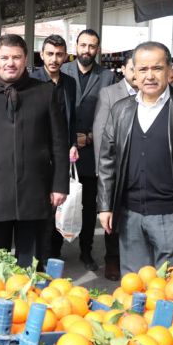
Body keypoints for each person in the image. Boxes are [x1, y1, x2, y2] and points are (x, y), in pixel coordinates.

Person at [97, 41, 173, 274]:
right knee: (134, 287)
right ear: (133, 72)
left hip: (172, 216)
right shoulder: (121, 110)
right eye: (142, 69)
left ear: (171, 71)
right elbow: (107, 162)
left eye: (157, 68)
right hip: (130, 215)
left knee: (172, 291)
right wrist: (105, 206)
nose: (149, 76)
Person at [0, 34, 69, 267]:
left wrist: (60, 185)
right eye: (5, 57)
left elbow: (59, 144)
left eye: (16, 57)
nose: (10, 63)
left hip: (35, 191)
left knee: (31, 264)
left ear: (26, 59)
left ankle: (30, 301)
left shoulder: (46, 92)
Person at [61, 28, 116, 271]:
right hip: (65, 149)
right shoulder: (63, 70)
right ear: (76, 46)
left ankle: (86, 251)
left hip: (93, 151)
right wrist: (71, 138)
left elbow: (112, 113)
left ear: (98, 49)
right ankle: (54, 250)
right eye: (83, 45)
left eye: (92, 46)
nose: (87, 50)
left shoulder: (108, 77)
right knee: (60, 199)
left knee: (89, 205)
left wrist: (93, 136)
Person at [30, 34, 77, 263]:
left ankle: (53, 254)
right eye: (50, 54)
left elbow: (72, 117)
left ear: (66, 56)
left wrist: (74, 143)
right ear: (42, 55)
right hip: (37, 154)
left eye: (59, 54)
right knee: (39, 207)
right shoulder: (31, 81)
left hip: (62, 153)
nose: (54, 59)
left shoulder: (70, 83)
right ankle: (37, 256)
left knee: (60, 204)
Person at [91, 50, 138, 281]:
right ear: (124, 70)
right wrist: (103, 170)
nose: (138, 74)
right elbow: (100, 132)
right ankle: (112, 259)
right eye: (133, 68)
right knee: (112, 215)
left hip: (140, 168)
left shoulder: (153, 93)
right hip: (116, 165)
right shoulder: (110, 93)